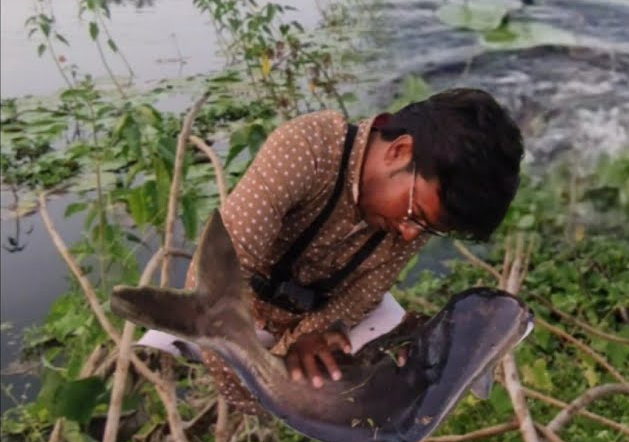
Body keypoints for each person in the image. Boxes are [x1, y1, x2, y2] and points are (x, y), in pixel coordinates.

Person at [184, 87, 525, 414]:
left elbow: (359, 297)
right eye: (416, 216)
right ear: (399, 151)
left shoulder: (413, 216)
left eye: (428, 228)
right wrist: (257, 390)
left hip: (305, 312)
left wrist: (307, 338)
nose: (410, 235)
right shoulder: (307, 150)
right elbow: (212, 284)